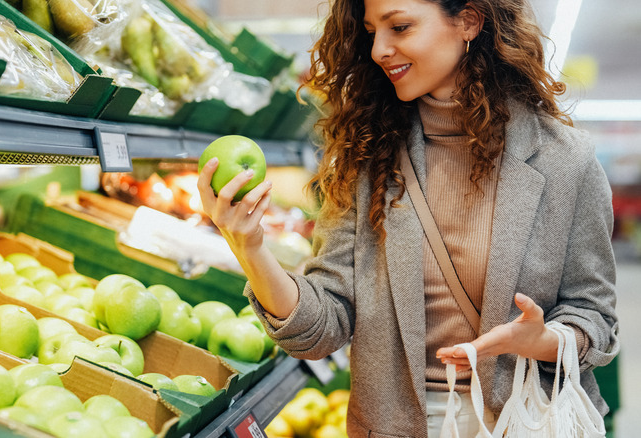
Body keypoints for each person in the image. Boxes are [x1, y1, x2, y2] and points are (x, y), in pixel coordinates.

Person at [197, 0, 620, 436]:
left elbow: (595, 318)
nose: (380, 49)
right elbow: (320, 329)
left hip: (526, 418)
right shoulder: (365, 157)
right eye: (371, 31)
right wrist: (249, 247)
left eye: (399, 27)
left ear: (469, 21)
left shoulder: (566, 161)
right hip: (393, 425)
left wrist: (546, 341)